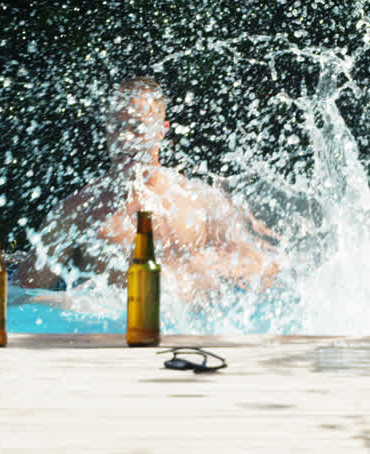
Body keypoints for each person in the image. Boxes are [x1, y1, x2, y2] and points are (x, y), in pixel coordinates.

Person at [16, 76, 279, 300]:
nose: (124, 138)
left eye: (137, 127)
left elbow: (264, 269)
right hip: (117, 346)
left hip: (188, 343)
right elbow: (17, 297)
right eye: (116, 126)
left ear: (162, 131)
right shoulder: (77, 213)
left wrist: (203, 270)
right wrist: (80, 304)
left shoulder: (199, 199)